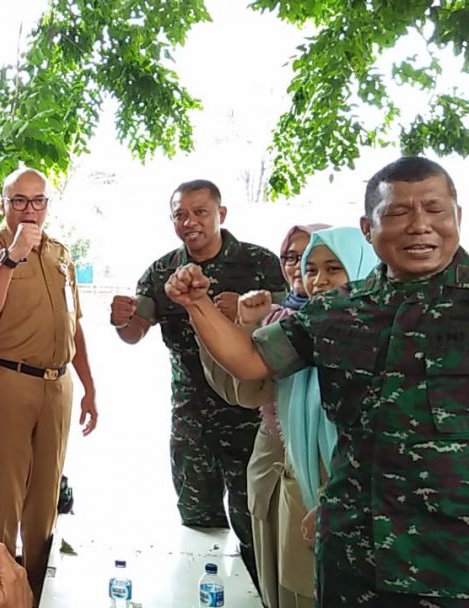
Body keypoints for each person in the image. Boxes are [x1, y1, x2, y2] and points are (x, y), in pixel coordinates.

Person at [168, 156, 468, 607]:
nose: (419, 226)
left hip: (452, 565)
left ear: (457, 217)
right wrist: (198, 306)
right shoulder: (338, 311)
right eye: (400, 213)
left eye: (435, 210)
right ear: (368, 228)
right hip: (352, 557)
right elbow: (250, 362)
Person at [111, 179, 282, 590]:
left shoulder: (259, 262)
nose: (190, 222)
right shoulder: (161, 271)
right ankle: (202, 595)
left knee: (254, 525)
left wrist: (246, 308)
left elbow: (289, 321)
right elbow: (136, 330)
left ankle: (262, 595)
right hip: (191, 417)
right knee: (197, 525)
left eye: (200, 212)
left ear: (221, 214)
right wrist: (121, 320)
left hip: (249, 415)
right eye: (180, 214)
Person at [0, 167, 97, 600]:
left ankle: (35, 593)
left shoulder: (61, 253)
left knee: (45, 503)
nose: (29, 210)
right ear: (3, 204)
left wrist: (90, 387)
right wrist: (12, 257)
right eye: (19, 200)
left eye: (38, 200)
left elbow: (74, 323)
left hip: (57, 385)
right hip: (7, 377)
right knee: (1, 497)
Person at [197, 223, 327, 608]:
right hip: (274, 459)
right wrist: (245, 322)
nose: (306, 271)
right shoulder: (281, 319)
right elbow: (245, 388)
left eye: (326, 265)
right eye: (293, 258)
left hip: (327, 476)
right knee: (274, 575)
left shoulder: (361, 324)